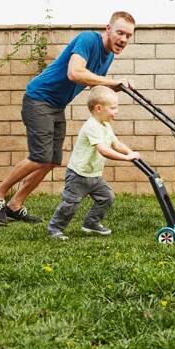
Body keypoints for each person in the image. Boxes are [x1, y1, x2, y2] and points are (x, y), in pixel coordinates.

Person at [0, 11, 136, 225]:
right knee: (39, 156)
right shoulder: (88, 40)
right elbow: (74, 73)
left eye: (129, 35)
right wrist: (111, 81)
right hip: (39, 98)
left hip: (56, 105)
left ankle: (15, 205)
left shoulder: (108, 55)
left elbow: (92, 83)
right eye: (120, 32)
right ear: (108, 29)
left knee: (51, 160)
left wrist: (115, 88)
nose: (124, 39)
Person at [47, 86, 140, 240]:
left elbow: (116, 144)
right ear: (99, 108)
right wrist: (126, 158)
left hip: (94, 175)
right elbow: (104, 150)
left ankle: (91, 223)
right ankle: (54, 228)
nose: (116, 111)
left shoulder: (106, 125)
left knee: (107, 197)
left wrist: (130, 153)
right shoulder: (91, 126)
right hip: (78, 174)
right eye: (113, 108)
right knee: (70, 204)